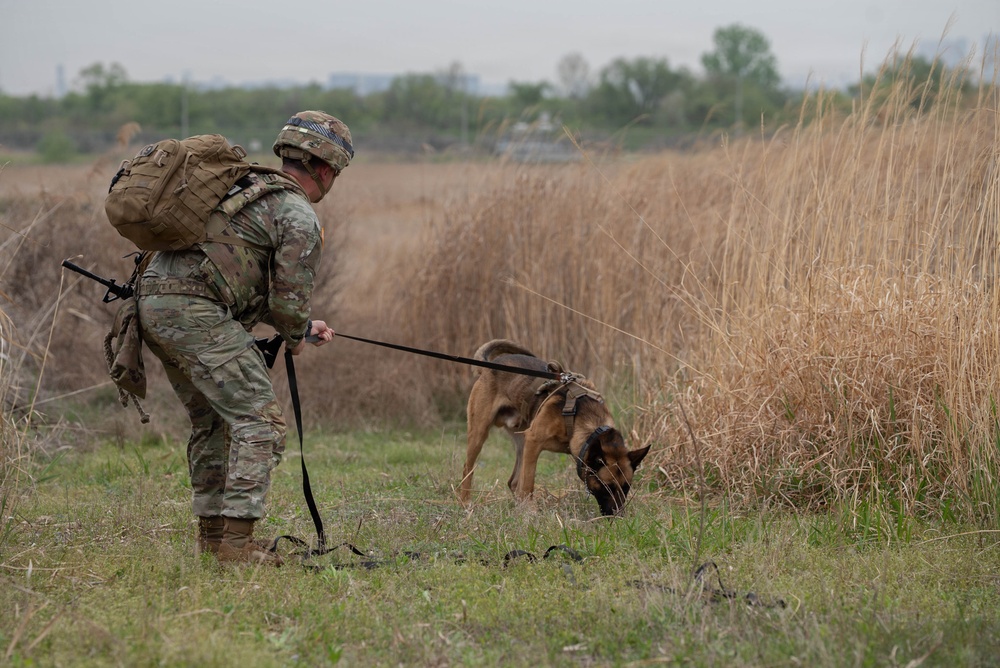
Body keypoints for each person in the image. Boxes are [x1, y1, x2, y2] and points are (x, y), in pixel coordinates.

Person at [136, 111, 353, 566]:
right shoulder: (297, 213)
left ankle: (214, 538)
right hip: (196, 312)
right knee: (261, 423)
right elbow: (289, 303)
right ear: (326, 169)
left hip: (153, 305)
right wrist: (295, 334)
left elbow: (240, 279)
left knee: (215, 422)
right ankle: (236, 547)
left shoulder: (240, 190)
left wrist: (300, 326)